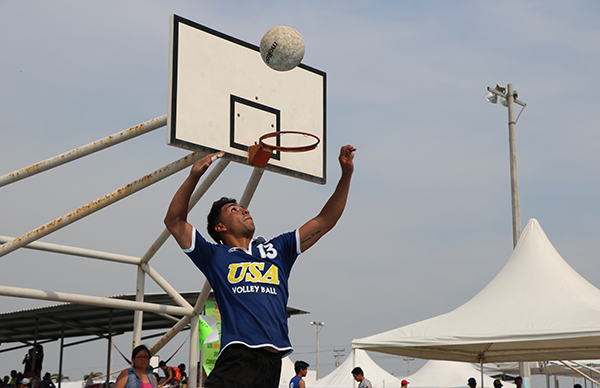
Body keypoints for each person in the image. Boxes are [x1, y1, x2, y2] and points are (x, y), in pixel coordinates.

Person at [164, 145, 355, 388]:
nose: (244, 209)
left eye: (242, 207)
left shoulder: (279, 248)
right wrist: (194, 176)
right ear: (220, 228)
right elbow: (174, 220)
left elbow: (326, 219)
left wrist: (346, 175)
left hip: (273, 362)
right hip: (239, 355)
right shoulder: (215, 255)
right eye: (234, 210)